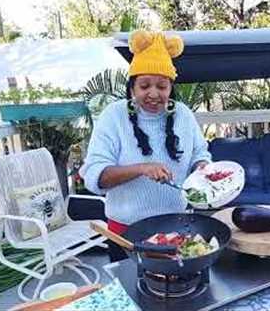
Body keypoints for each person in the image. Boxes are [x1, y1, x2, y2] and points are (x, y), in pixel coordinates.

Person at [79, 30, 211, 262]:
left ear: (171, 88)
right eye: (144, 86)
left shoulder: (183, 115)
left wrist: (202, 167)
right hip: (126, 234)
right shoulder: (113, 116)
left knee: (177, 290)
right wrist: (142, 168)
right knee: (132, 292)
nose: (153, 94)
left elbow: (200, 154)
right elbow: (94, 177)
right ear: (132, 88)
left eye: (162, 86)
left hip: (177, 228)